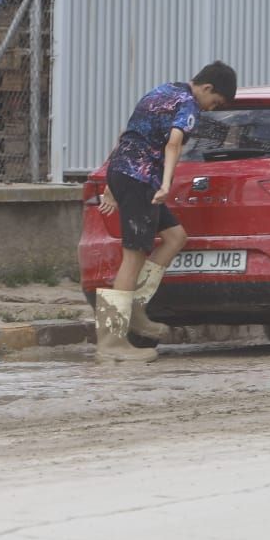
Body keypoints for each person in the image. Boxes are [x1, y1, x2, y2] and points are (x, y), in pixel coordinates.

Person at [94, 61, 238, 363]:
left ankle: (136, 309)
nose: (212, 108)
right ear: (207, 88)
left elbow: (128, 133)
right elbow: (173, 143)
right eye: (216, 102)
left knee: (175, 236)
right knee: (133, 258)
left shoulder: (162, 90)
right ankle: (111, 341)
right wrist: (167, 183)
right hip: (140, 180)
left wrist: (110, 180)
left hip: (125, 174)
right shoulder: (188, 104)